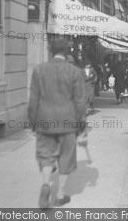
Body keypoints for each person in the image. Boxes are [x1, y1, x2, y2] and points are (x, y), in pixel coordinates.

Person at [28, 37, 87, 208]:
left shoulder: (39, 70)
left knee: (46, 156)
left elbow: (33, 100)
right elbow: (80, 101)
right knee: (66, 157)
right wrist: (82, 125)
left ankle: (46, 184)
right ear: (67, 52)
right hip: (68, 122)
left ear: (51, 50)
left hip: (45, 122)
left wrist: (32, 122)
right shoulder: (75, 72)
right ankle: (60, 195)